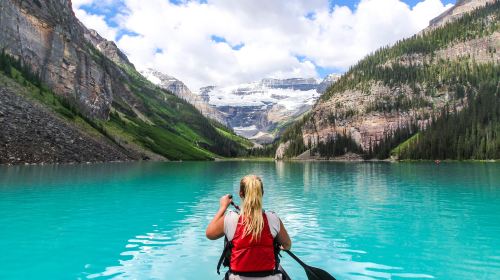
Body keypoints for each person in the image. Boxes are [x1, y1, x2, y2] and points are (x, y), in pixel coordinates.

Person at [206, 175, 292, 280]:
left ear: (240, 194)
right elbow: (287, 245)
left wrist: (223, 207)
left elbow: (209, 234)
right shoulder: (272, 218)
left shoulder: (231, 218)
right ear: (262, 194)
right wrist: (281, 247)